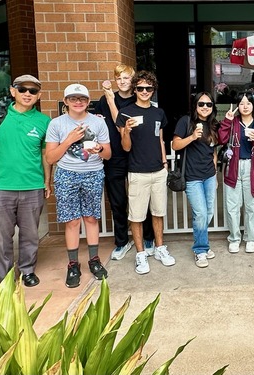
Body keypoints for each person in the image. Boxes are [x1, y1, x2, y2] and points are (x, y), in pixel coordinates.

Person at [0, 74, 51, 287]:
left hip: (32, 186)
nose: (27, 93)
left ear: (39, 95)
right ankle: (6, 278)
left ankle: (27, 271)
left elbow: (45, 155)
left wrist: (47, 181)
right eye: (22, 89)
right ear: (12, 91)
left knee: (30, 235)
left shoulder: (44, 121)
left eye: (33, 90)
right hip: (0, 187)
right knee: (2, 237)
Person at [45, 83, 112, 288]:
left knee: (91, 218)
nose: (78, 102)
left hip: (92, 173)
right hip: (66, 175)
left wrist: (99, 148)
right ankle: (73, 264)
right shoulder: (56, 124)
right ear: (66, 102)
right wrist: (69, 140)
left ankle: (94, 259)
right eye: (73, 98)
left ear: (88, 101)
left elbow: (108, 155)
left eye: (82, 98)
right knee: (72, 221)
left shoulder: (98, 123)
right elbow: (50, 157)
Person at [94, 64, 155, 261]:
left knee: (142, 199)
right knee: (118, 201)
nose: (122, 81)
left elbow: (118, 119)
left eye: (126, 78)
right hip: (114, 156)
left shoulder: (138, 99)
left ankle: (148, 237)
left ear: (133, 82)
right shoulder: (104, 100)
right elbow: (98, 122)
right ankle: (121, 241)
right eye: (118, 77)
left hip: (136, 154)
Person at [116, 70, 175, 275]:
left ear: (153, 90)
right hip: (137, 171)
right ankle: (141, 254)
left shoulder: (158, 112)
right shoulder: (126, 112)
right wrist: (127, 131)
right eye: (140, 88)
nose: (144, 91)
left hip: (158, 170)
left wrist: (164, 161)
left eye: (148, 88)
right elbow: (125, 147)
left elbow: (160, 139)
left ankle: (159, 248)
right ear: (134, 89)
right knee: (137, 216)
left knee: (158, 213)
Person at [218, 92, 254, 254]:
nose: (245, 106)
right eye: (241, 103)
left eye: (249, 103)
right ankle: (234, 238)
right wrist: (227, 121)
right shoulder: (233, 123)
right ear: (237, 106)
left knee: (253, 207)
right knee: (232, 206)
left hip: (253, 168)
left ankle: (251, 238)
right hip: (233, 167)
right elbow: (221, 139)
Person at [172, 92, 219, 268]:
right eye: (201, 104)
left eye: (209, 104)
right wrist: (191, 137)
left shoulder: (213, 124)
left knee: (208, 212)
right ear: (195, 106)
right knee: (200, 214)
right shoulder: (186, 122)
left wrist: (214, 175)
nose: (205, 107)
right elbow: (175, 145)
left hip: (209, 175)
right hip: (192, 177)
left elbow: (213, 152)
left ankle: (202, 243)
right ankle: (200, 249)